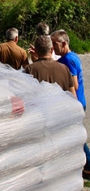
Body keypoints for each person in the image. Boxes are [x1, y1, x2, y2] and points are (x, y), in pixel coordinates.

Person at [50, 29, 90, 178]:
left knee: (77, 137)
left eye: (54, 44)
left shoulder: (69, 59)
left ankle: (89, 164)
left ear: (64, 43)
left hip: (75, 102)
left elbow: (74, 84)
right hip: (77, 102)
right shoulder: (69, 57)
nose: (53, 48)